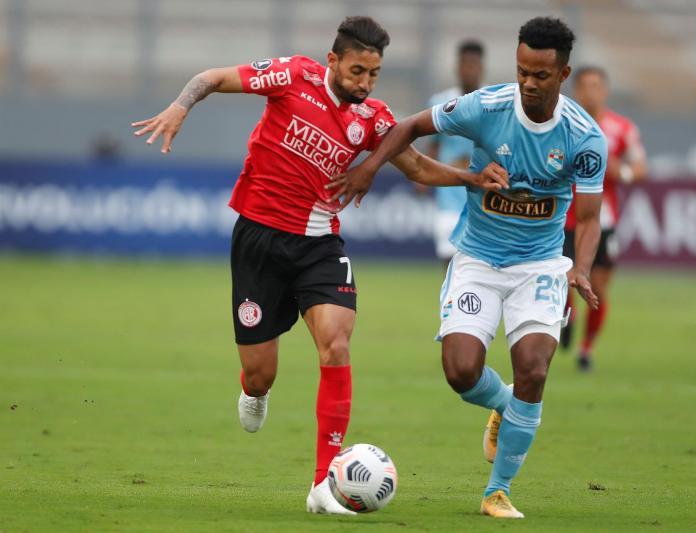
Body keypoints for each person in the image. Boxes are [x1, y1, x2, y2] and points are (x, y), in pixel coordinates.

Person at [131, 16, 507, 515]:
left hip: (319, 246)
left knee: (336, 344)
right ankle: (253, 390)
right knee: (260, 374)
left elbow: (415, 165)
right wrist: (181, 106)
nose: (365, 83)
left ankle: (322, 486)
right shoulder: (292, 76)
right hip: (259, 241)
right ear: (333, 60)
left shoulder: (372, 118)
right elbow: (212, 78)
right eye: (357, 71)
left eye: (373, 74)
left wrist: (470, 178)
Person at [328, 17, 606, 519]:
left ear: (563, 73)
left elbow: (587, 218)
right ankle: (503, 406)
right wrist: (370, 166)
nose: (527, 82)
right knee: (460, 372)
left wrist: (579, 268)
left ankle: (496, 491)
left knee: (535, 370)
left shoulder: (584, 137)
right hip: (477, 257)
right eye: (522, 70)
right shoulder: (486, 107)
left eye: (540, 74)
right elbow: (410, 125)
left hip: (540, 264)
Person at [561, 66, 648, 371]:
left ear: (606, 90)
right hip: (562, 218)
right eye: (585, 86)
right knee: (560, 282)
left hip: (601, 221)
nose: (591, 92)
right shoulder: (561, 124)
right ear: (576, 90)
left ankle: (586, 350)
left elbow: (640, 167)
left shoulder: (622, 129)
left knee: (597, 286)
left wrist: (620, 172)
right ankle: (565, 318)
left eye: (597, 86)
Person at [423, 40, 485, 266]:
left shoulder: (492, 103)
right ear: (457, 67)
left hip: (481, 201)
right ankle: (448, 303)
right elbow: (433, 144)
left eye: (474, 64)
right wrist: (422, 175)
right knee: (449, 265)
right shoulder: (441, 103)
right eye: (465, 63)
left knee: (477, 266)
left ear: (481, 67)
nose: (469, 69)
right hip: (448, 198)